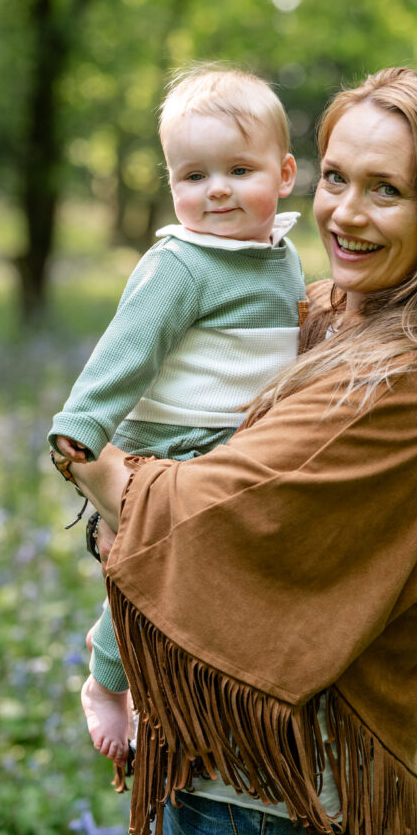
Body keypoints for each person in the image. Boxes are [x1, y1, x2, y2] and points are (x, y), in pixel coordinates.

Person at [57, 66, 417, 835]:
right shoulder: (323, 315)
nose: (345, 214)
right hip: (193, 738)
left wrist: (96, 461)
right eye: (339, 178)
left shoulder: (409, 381)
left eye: (386, 190)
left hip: (266, 789)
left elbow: (209, 515)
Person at [49, 65, 305, 768]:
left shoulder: (280, 256)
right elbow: (124, 353)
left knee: (209, 584)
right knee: (151, 571)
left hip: (240, 441)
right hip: (177, 443)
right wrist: (81, 428)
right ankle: (107, 680)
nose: (215, 189)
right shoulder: (182, 264)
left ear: (284, 174)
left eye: (237, 169)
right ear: (172, 188)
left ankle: (174, 684)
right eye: (193, 176)